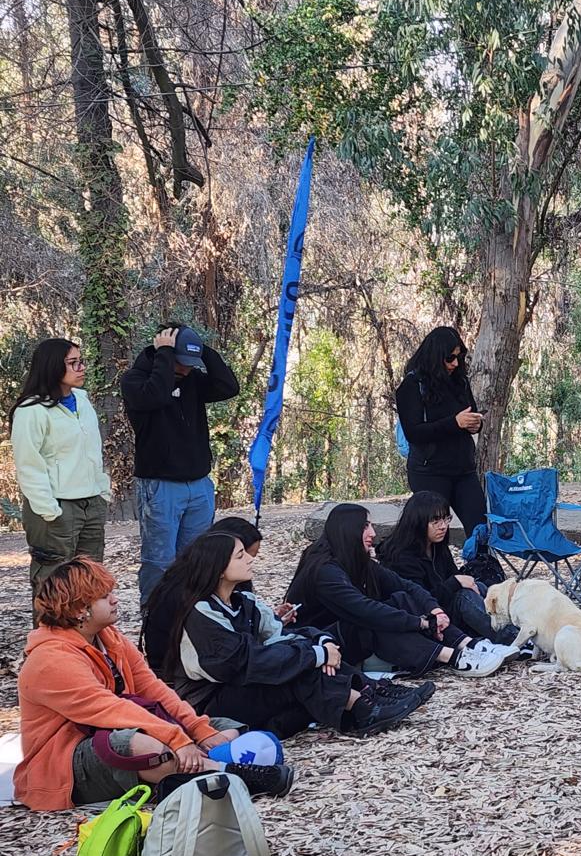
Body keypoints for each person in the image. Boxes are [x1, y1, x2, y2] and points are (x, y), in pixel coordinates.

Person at [14, 558, 291, 811]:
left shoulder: (109, 637)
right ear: (78, 610)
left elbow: (152, 688)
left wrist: (197, 730)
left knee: (224, 727)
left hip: (129, 726)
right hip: (65, 762)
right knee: (135, 744)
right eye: (103, 596)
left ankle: (192, 772)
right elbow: (109, 710)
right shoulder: (50, 660)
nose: (114, 600)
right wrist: (177, 738)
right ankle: (234, 773)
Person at [144, 533, 427, 739]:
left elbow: (282, 634)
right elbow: (240, 663)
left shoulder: (244, 602)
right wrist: (314, 655)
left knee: (311, 653)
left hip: (245, 683)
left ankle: (369, 693)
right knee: (300, 670)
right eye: (241, 555)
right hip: (212, 699)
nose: (251, 559)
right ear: (218, 569)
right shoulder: (201, 613)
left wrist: (322, 643)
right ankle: (363, 709)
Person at [286, 503, 507, 677]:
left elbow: (407, 587)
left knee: (403, 597)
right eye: (365, 526)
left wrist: (435, 611)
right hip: (322, 644)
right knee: (373, 619)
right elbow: (364, 610)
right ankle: (456, 657)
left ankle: (469, 645)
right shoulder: (325, 570)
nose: (373, 532)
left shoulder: (356, 559)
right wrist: (422, 622)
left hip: (358, 632)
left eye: (445, 519)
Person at [121, 323, 239, 606]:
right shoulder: (136, 381)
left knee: (197, 559)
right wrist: (164, 353)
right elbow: (156, 396)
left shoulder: (192, 381)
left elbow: (229, 386)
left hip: (198, 484)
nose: (187, 369)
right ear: (163, 354)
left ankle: (190, 619)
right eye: (182, 362)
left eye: (191, 363)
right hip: (160, 485)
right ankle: (155, 621)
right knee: (159, 562)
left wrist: (200, 348)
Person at [9, 339, 112, 602]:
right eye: (72, 363)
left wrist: (102, 490)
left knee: (90, 579)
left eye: (82, 361)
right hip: (56, 508)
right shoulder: (31, 410)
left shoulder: (82, 399)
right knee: (53, 585)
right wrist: (49, 509)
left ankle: (84, 642)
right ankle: (49, 643)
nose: (81, 367)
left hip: (91, 502)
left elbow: (92, 451)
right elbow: (29, 465)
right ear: (53, 366)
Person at [377, 491, 518, 644]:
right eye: (435, 521)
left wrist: (461, 582)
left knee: (480, 587)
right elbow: (418, 600)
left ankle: (515, 629)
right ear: (417, 522)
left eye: (446, 519)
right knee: (465, 596)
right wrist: (455, 582)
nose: (443, 526)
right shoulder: (401, 557)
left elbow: (453, 577)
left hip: (446, 610)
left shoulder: (437, 547)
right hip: (426, 619)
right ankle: (512, 639)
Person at [395, 326, 486, 539]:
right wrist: (454, 423)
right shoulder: (412, 385)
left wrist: (475, 424)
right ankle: (434, 572)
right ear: (435, 356)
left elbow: (470, 413)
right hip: (430, 472)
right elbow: (414, 433)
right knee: (436, 536)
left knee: (481, 531)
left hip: (464, 470)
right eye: (449, 358)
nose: (455, 363)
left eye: (459, 357)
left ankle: (482, 569)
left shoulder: (460, 381)